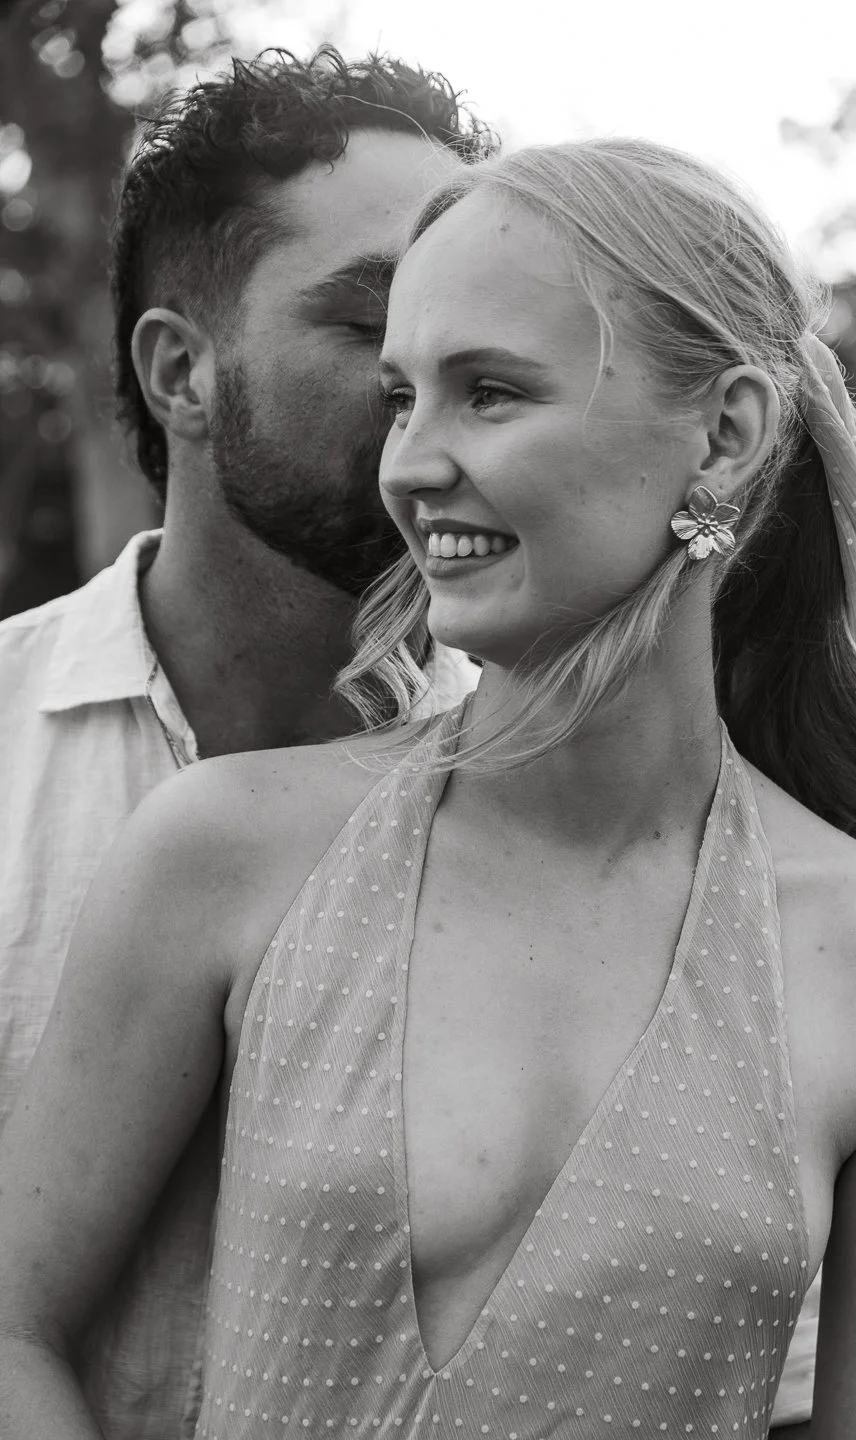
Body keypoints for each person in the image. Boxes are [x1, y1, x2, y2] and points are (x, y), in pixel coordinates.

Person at [3, 133, 856, 1439]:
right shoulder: (226, 852)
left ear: (725, 435)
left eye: (490, 392)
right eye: (402, 395)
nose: (409, 464)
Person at [0, 47, 489, 1440]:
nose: (436, 387)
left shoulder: (569, 784)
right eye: (373, 322)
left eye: (480, 327)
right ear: (181, 372)